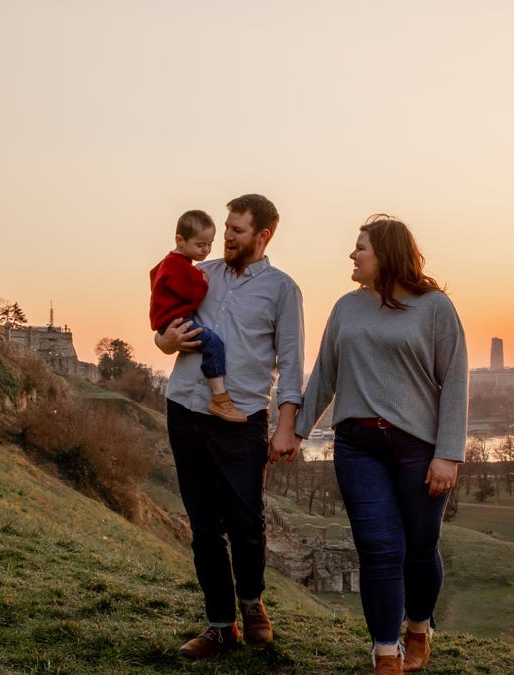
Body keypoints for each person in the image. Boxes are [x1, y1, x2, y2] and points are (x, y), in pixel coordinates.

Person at [294, 214, 468, 675]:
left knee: (420, 546)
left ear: (386, 254)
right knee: (378, 548)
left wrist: (448, 454)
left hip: (420, 448)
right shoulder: (345, 308)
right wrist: (294, 432)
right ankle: (386, 652)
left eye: (361, 247)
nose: (352, 255)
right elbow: (324, 376)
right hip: (358, 446)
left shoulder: (435, 308)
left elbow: (454, 382)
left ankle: (417, 627)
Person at [154, 193, 304, 659]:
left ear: (264, 235)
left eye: (237, 230)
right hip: (185, 408)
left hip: (241, 419)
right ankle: (221, 626)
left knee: (246, 521)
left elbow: (293, 365)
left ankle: (252, 602)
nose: (227, 237)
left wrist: (286, 427)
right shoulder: (202, 274)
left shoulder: (282, 289)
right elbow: (164, 327)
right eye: (226, 227)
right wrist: (165, 340)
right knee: (203, 526)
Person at [149, 210, 246, 423]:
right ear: (180, 241)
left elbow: (153, 275)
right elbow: (194, 294)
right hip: (177, 322)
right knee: (213, 344)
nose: (206, 250)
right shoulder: (180, 267)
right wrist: (201, 281)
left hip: (167, 322)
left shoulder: (169, 262)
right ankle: (220, 397)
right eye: (200, 245)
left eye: (210, 244)